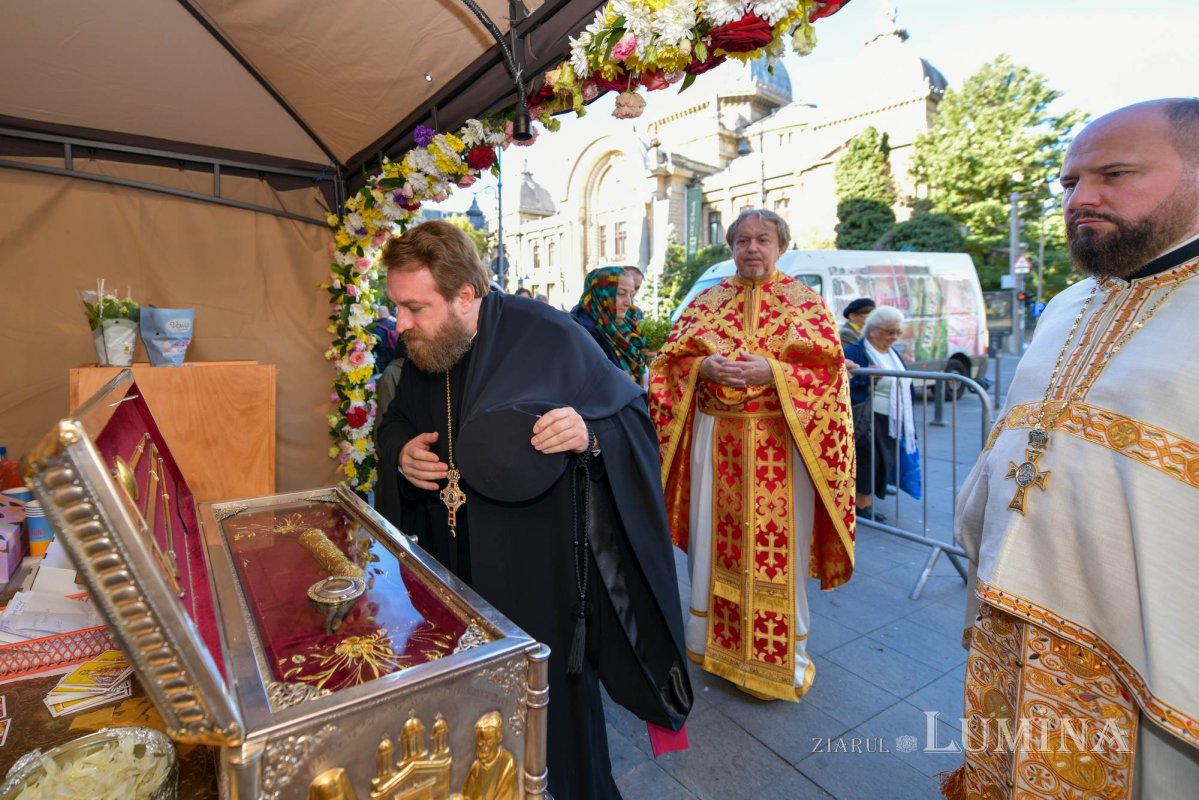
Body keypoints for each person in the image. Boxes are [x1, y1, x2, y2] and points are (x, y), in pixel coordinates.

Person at [375, 220, 692, 800]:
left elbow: (628, 418)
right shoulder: (428, 347)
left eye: (414, 307)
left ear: (464, 296)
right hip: (452, 565)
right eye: (398, 307)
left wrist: (588, 432)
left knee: (548, 727)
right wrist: (399, 452)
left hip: (536, 576)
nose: (401, 325)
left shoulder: (550, 335)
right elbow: (396, 416)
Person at [941, 99, 1199, 799]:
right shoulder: (1064, 305)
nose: (1082, 198)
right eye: (1068, 183)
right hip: (1013, 620)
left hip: (1145, 658)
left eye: (1114, 174)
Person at [649, 208, 856, 702]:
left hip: (780, 450)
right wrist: (702, 366)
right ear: (731, 247)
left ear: (780, 245)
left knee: (774, 555)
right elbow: (667, 363)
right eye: (742, 240)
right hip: (716, 443)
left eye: (762, 239)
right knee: (710, 547)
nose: (751, 248)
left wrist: (775, 374)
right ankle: (709, 644)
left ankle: (777, 664)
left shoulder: (805, 304)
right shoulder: (705, 302)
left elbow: (831, 375)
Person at [843, 306, 917, 523]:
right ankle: (862, 505)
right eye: (889, 332)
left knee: (882, 461)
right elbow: (841, 381)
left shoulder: (892, 353)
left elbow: (905, 382)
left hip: (893, 418)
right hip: (866, 418)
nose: (894, 337)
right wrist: (866, 378)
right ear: (873, 330)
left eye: (897, 332)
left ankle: (865, 502)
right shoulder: (855, 352)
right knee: (868, 460)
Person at [569, 266, 647, 382]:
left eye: (631, 294)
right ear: (601, 293)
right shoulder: (580, 330)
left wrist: (647, 354)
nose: (629, 303)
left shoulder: (627, 323)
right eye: (621, 293)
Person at [461, 711, 517, 800]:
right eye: (481, 741)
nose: (484, 747)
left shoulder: (507, 763)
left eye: (489, 741)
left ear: (498, 738)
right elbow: (466, 796)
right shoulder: (476, 767)